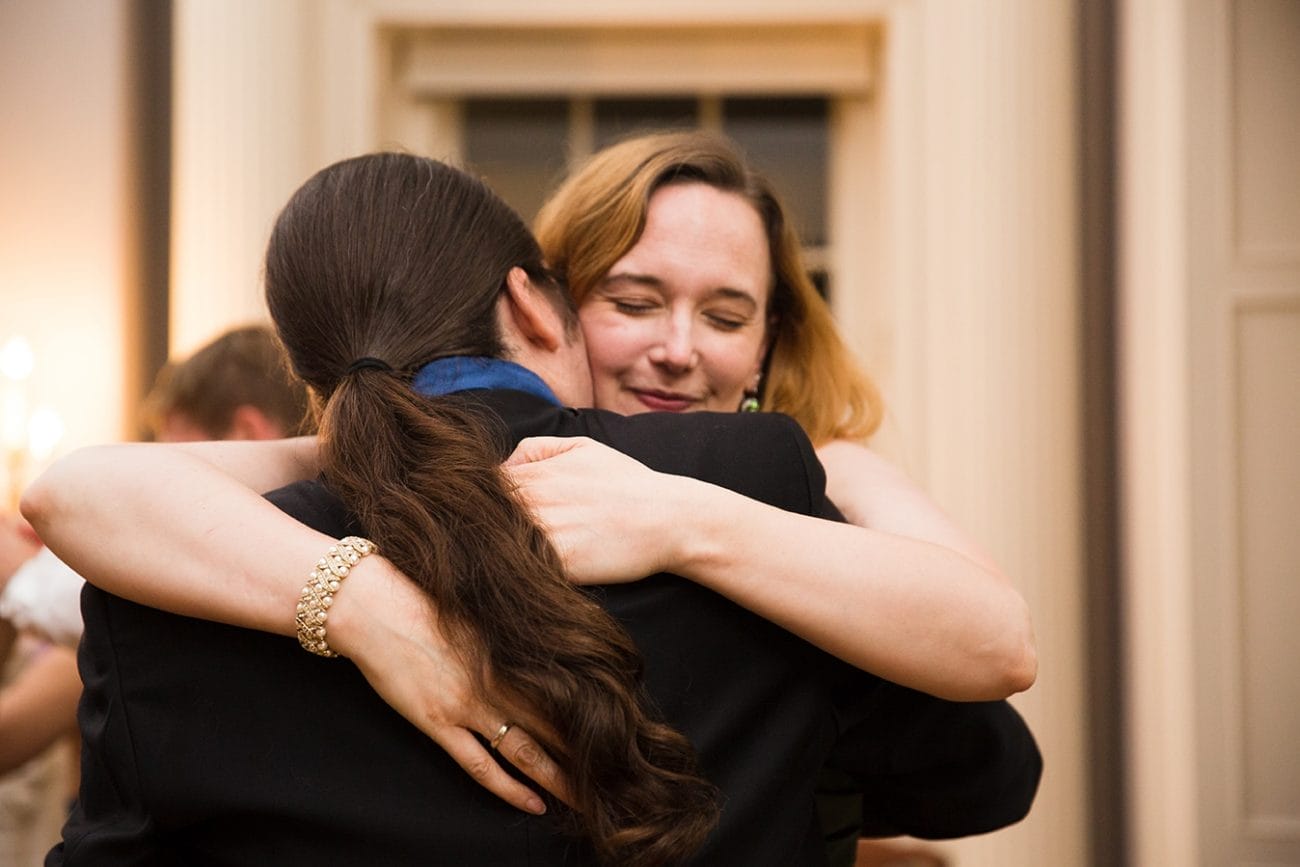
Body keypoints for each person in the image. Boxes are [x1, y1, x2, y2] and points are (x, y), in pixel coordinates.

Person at [24, 153, 1040, 865]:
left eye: (726, 313)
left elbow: (982, 731)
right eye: (634, 301)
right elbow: (983, 773)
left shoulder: (785, 497)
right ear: (540, 304)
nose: (678, 349)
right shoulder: (764, 471)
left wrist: (728, 516)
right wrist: (361, 602)